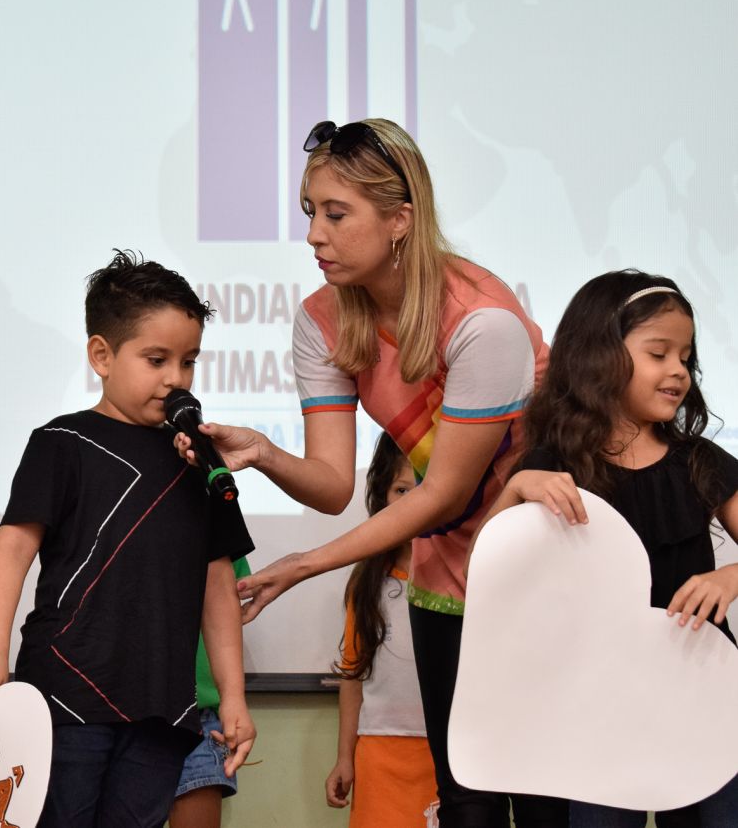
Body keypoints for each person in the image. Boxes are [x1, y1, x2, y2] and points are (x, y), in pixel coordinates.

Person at [174, 119, 560, 827]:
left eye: (335, 214)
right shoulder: (323, 319)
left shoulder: (483, 321)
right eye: (309, 213)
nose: (314, 236)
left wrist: (300, 566)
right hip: (446, 566)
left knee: (542, 792)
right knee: (464, 794)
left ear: (400, 220)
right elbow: (332, 486)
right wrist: (264, 452)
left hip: (542, 565)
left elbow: (443, 492)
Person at [0, 250, 257, 828]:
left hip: (163, 707)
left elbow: (218, 582)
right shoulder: (63, 442)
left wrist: (233, 696)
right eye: (156, 359)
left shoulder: (199, 461)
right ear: (102, 355)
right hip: (65, 695)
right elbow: (13, 547)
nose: (175, 378)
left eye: (188, 362)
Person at [473, 271, 738, 828]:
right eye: (658, 353)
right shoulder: (554, 465)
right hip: (599, 704)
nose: (678, 371)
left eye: (685, 357)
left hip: (702, 698)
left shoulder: (700, 462)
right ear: (598, 356)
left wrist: (731, 576)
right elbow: (490, 571)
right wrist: (517, 489)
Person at [325, 433, 436, 827]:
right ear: (382, 497)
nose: (414, 504)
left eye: (425, 489)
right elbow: (353, 676)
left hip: (444, 755)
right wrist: (345, 757)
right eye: (401, 490)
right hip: (378, 753)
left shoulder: (462, 580)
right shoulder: (368, 583)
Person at [168, 556, 251, 828]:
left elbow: (227, 605)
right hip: (123, 716)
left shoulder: (216, 537)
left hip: (199, 718)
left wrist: (234, 700)